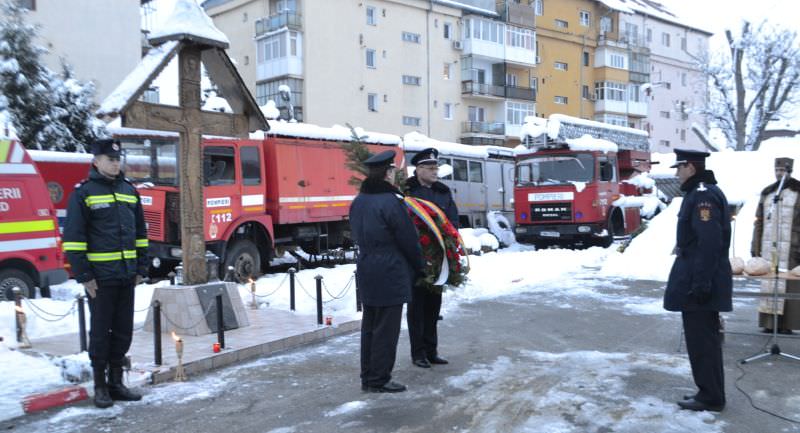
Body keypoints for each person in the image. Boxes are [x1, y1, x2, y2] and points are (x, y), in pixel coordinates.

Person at [63, 139, 148, 408]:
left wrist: (141, 269)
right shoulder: (84, 193)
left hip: (126, 276)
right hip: (100, 279)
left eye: (117, 158)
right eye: (109, 159)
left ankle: (116, 383)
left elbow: (141, 235)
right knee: (100, 333)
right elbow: (74, 239)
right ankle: (100, 386)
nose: (115, 163)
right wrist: (84, 275)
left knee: (123, 332)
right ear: (96, 161)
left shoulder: (128, 191)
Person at [349, 150, 423, 393]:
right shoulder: (391, 201)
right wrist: (419, 266)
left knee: (370, 325)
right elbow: (408, 239)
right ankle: (380, 378)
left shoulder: (359, 200)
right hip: (390, 267)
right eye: (392, 171)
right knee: (387, 328)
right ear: (387, 173)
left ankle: (368, 377)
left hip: (367, 265)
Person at [664, 149, 732, 412]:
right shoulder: (700, 193)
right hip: (697, 279)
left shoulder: (702, 195)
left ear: (690, 167)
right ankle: (710, 392)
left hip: (699, 284)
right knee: (704, 342)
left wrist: (701, 284)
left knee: (702, 342)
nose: (677, 173)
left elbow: (709, 243)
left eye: (679, 168)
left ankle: (711, 396)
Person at [404, 147, 458, 368]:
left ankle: (431, 350)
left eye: (437, 167)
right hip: (415, 257)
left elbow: (452, 220)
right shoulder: (406, 190)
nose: (435, 171)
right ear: (418, 169)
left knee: (433, 307)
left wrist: (451, 246)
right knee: (416, 308)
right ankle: (418, 353)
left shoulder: (443, 191)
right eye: (430, 168)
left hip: (438, 257)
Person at [751, 157, 800, 334]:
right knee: (770, 283)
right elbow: (759, 221)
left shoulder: (798, 191)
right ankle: (769, 323)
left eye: (783, 170)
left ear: (790, 171)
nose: (779, 173)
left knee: (789, 285)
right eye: (777, 170)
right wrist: (755, 245)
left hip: (791, 247)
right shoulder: (768, 193)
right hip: (769, 246)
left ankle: (786, 324)